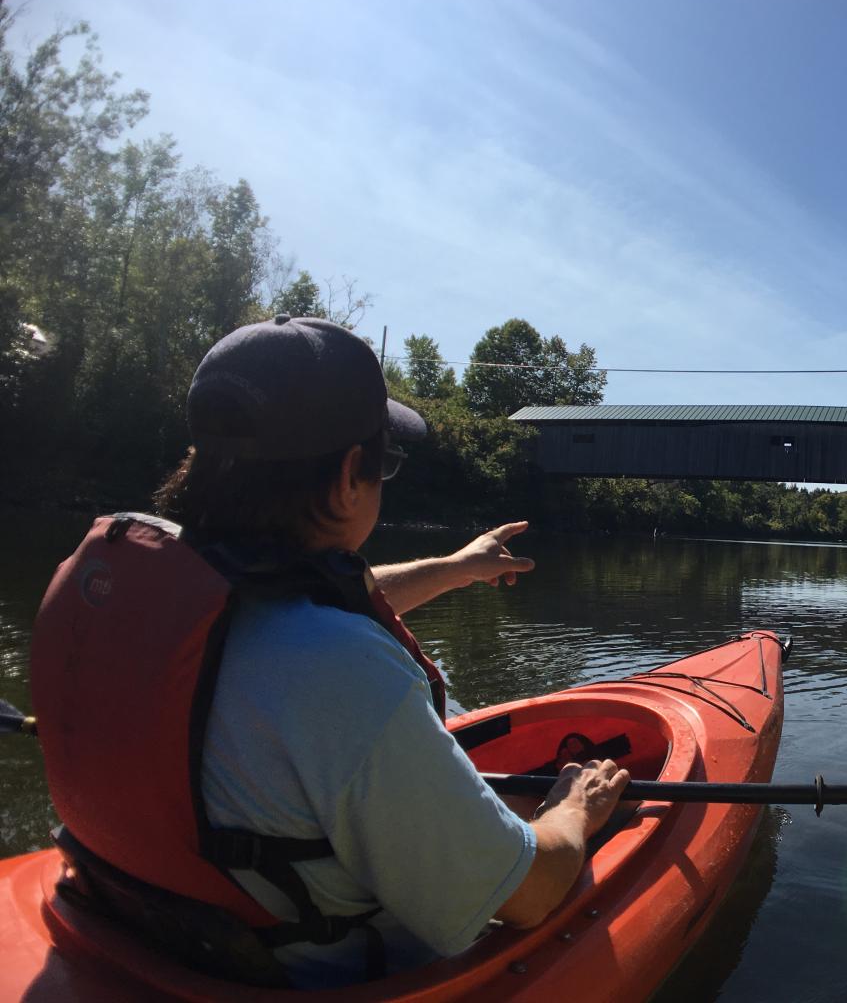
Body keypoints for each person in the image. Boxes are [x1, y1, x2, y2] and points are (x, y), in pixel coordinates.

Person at [29, 315, 628, 989]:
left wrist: (461, 568)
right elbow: (528, 896)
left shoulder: (109, 582)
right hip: (306, 973)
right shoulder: (340, 673)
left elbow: (283, 623)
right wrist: (574, 808)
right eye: (386, 463)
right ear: (350, 475)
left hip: (129, 919)